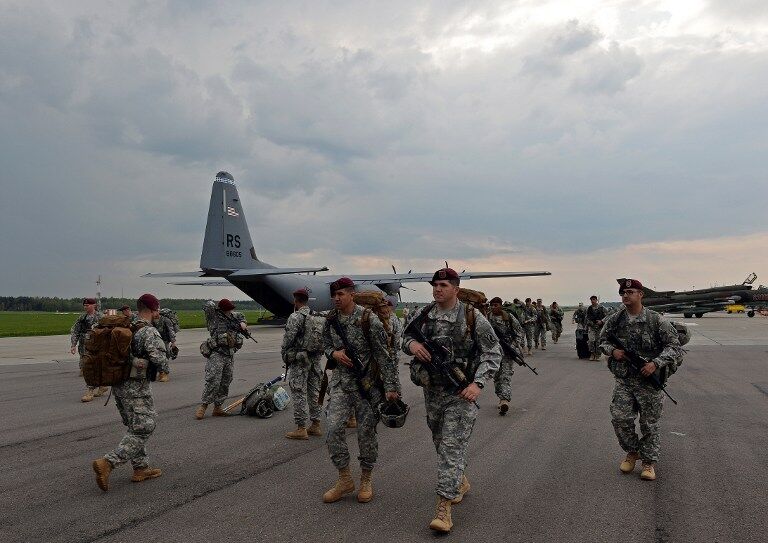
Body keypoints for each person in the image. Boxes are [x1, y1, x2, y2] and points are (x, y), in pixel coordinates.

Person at [403, 268, 501, 533]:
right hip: (433, 392)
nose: (437, 289)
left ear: (456, 289)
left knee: (451, 447)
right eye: (435, 285)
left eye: (443, 285)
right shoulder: (423, 314)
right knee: (440, 441)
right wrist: (413, 346)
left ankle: (443, 509)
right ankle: (459, 480)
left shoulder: (471, 316)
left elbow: (493, 352)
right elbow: (405, 336)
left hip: (461, 393)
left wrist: (477, 384)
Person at [321, 278, 401, 505]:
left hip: (367, 387)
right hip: (341, 385)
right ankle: (344, 478)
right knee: (333, 429)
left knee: (366, 434)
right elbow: (325, 344)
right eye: (334, 295)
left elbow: (383, 355)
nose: (336, 298)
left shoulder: (368, 319)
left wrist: (391, 388)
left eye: (341, 294)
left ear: (352, 295)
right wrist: (333, 354)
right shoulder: (331, 319)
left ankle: (366, 478)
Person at [599, 279, 683, 481]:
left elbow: (674, 347)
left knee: (649, 424)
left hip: (649, 381)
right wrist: (613, 351)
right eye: (623, 293)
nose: (625, 295)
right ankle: (632, 451)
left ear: (640, 294)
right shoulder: (615, 319)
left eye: (630, 292)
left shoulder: (655, 320)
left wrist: (655, 363)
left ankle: (648, 462)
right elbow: (602, 341)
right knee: (620, 419)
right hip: (624, 380)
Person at [92, 294, 167, 491]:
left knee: (135, 427)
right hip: (137, 388)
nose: (158, 312)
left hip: (118, 385)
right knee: (146, 426)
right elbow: (160, 360)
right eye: (157, 309)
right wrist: (166, 362)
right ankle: (108, 462)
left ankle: (141, 468)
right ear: (153, 309)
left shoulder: (129, 326)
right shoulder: (148, 331)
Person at [195, 299, 247, 419]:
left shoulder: (234, 317)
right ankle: (203, 406)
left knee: (226, 381)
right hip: (217, 354)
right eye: (228, 310)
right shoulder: (214, 318)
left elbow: (241, 316)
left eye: (231, 309)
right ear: (222, 310)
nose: (230, 312)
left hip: (229, 355)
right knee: (213, 380)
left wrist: (243, 323)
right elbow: (208, 306)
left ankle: (218, 407)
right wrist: (217, 308)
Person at [283, 288, 323, 440]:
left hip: (300, 361)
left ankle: (301, 428)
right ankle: (316, 425)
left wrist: (285, 354)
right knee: (314, 391)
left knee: (298, 391)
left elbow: (288, 339)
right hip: (316, 359)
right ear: (307, 300)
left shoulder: (296, 317)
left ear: (295, 300)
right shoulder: (317, 316)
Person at [488, 296, 523, 415]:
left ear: (501, 305)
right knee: (497, 377)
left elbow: (519, 331)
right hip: (493, 352)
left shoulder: (508, 317)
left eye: (496, 305)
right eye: (492, 305)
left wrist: (513, 346)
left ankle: (504, 400)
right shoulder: (487, 317)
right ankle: (500, 397)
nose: (493, 307)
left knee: (505, 375)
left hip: (507, 352)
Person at [70, 298, 107, 402]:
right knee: (87, 368)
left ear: (94, 305)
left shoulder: (101, 317)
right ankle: (102, 386)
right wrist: (73, 345)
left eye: (88, 305)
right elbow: (75, 331)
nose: (85, 307)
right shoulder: (82, 317)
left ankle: (90, 391)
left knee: (91, 368)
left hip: (97, 348)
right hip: (84, 347)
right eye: (84, 305)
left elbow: (107, 332)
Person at [152, 309, 175, 382]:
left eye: (155, 311)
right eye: (153, 311)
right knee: (155, 357)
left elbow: (171, 331)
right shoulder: (151, 320)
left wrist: (173, 342)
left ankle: (164, 373)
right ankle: (160, 372)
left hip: (164, 341)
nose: (154, 313)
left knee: (165, 355)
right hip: (154, 341)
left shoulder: (166, 320)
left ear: (158, 312)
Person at [585, 295, 608, 360]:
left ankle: (598, 354)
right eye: (591, 300)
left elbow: (608, 316)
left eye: (594, 299)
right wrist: (589, 324)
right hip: (591, 327)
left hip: (599, 327)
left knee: (598, 341)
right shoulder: (589, 308)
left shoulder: (602, 308)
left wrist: (602, 321)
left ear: (596, 300)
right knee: (591, 341)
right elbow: (586, 318)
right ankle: (592, 353)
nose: (592, 301)